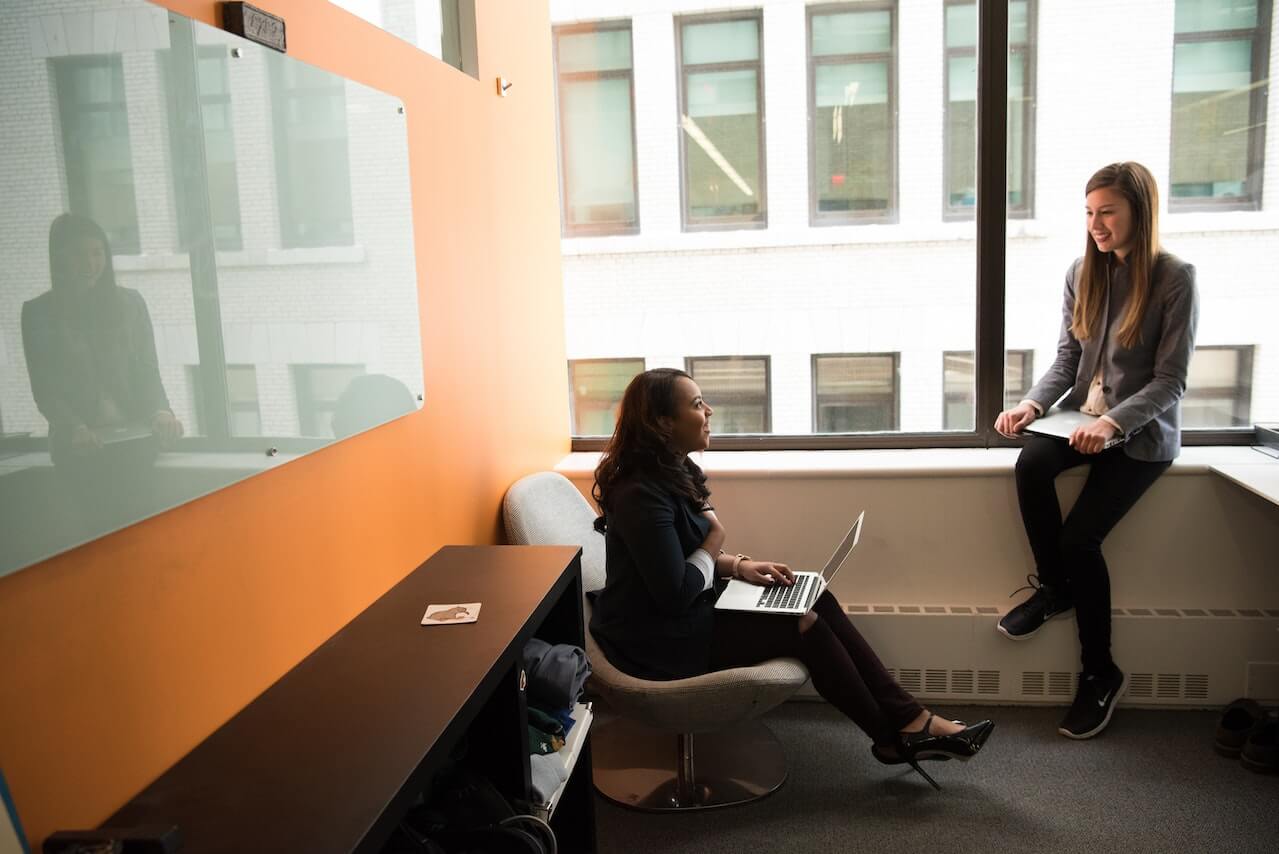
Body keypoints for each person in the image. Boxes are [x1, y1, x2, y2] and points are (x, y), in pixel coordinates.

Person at [590, 368, 993, 789]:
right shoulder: (640, 495)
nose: (709, 410)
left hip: (686, 611)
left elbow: (684, 556)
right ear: (661, 423)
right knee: (805, 627)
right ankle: (897, 737)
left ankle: (912, 721)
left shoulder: (675, 470)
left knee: (818, 597)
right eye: (695, 404)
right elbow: (675, 591)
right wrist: (716, 538)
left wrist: (740, 564)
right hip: (656, 638)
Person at [994, 161, 1198, 740]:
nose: (1097, 223)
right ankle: (1054, 588)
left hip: (1141, 437)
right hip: (1079, 422)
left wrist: (1112, 424)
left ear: (1139, 211)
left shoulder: (1175, 277)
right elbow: (1067, 360)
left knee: (1082, 539)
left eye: (1107, 211)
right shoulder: (1082, 272)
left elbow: (1171, 380)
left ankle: (1100, 673)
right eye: (1089, 212)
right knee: (1030, 461)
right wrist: (1032, 405)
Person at [21, 213, 183, 534]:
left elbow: (147, 372)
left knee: (142, 540)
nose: (92, 262)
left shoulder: (129, 303)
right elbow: (45, 389)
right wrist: (74, 427)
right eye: (81, 253)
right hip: (80, 452)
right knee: (99, 538)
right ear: (61, 257)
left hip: (134, 444)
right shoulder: (39, 313)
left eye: (98, 252)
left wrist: (161, 411)